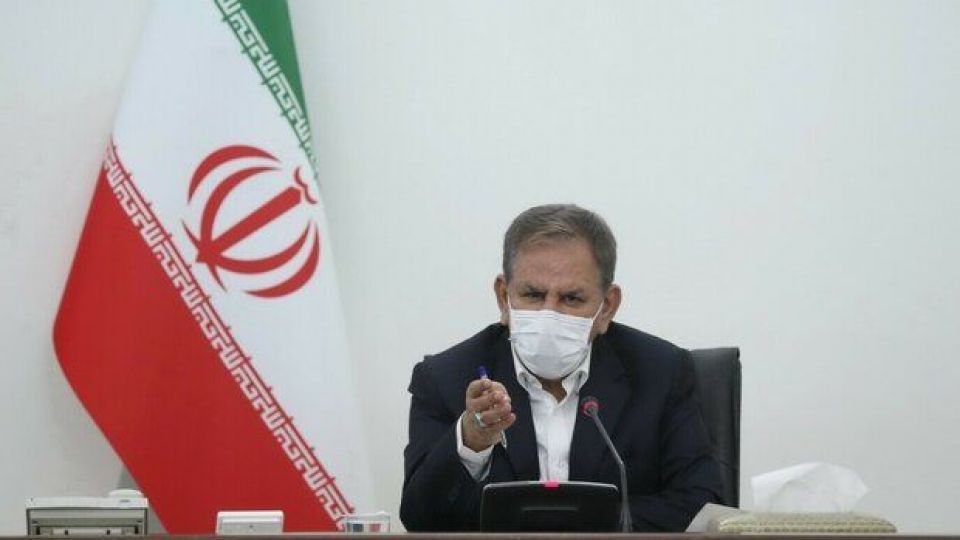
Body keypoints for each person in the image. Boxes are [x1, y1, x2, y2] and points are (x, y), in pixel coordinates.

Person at [400, 204, 722, 531]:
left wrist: (578, 525)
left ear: (607, 307)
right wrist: (471, 442)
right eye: (533, 295)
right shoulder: (445, 378)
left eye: (571, 298)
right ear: (503, 297)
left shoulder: (661, 372)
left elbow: (702, 505)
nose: (549, 314)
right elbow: (419, 520)